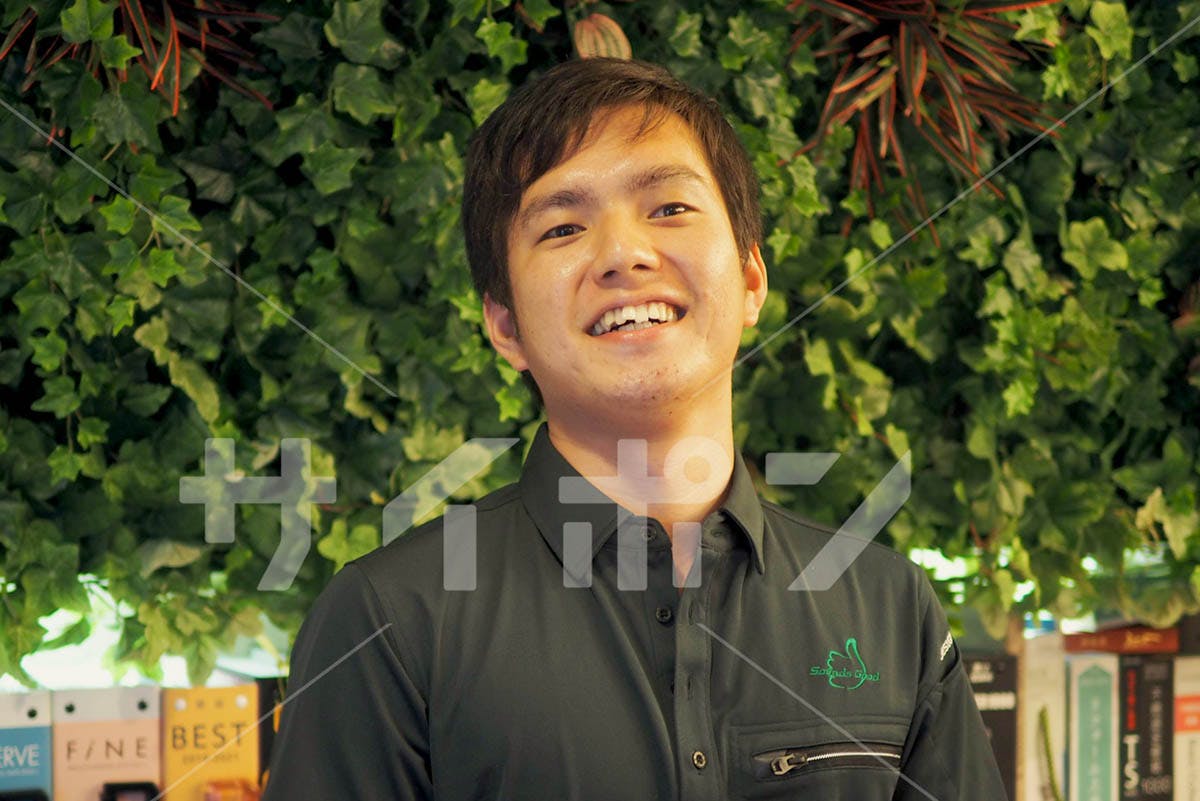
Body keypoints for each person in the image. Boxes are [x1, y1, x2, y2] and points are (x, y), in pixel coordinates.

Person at [261, 58, 1007, 800]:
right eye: (563, 227)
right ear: (506, 325)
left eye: (670, 208)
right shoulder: (389, 621)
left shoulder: (890, 608)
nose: (623, 254)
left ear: (751, 278)